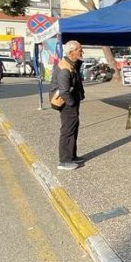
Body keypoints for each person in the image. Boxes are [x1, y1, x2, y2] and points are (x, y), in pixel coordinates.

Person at [50, 40, 86, 170]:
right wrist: (71, 104)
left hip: (71, 101)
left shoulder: (72, 64)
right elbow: (64, 91)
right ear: (71, 52)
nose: (82, 52)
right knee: (67, 130)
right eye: (79, 50)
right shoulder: (65, 68)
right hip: (66, 103)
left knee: (73, 128)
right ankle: (64, 161)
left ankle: (72, 156)